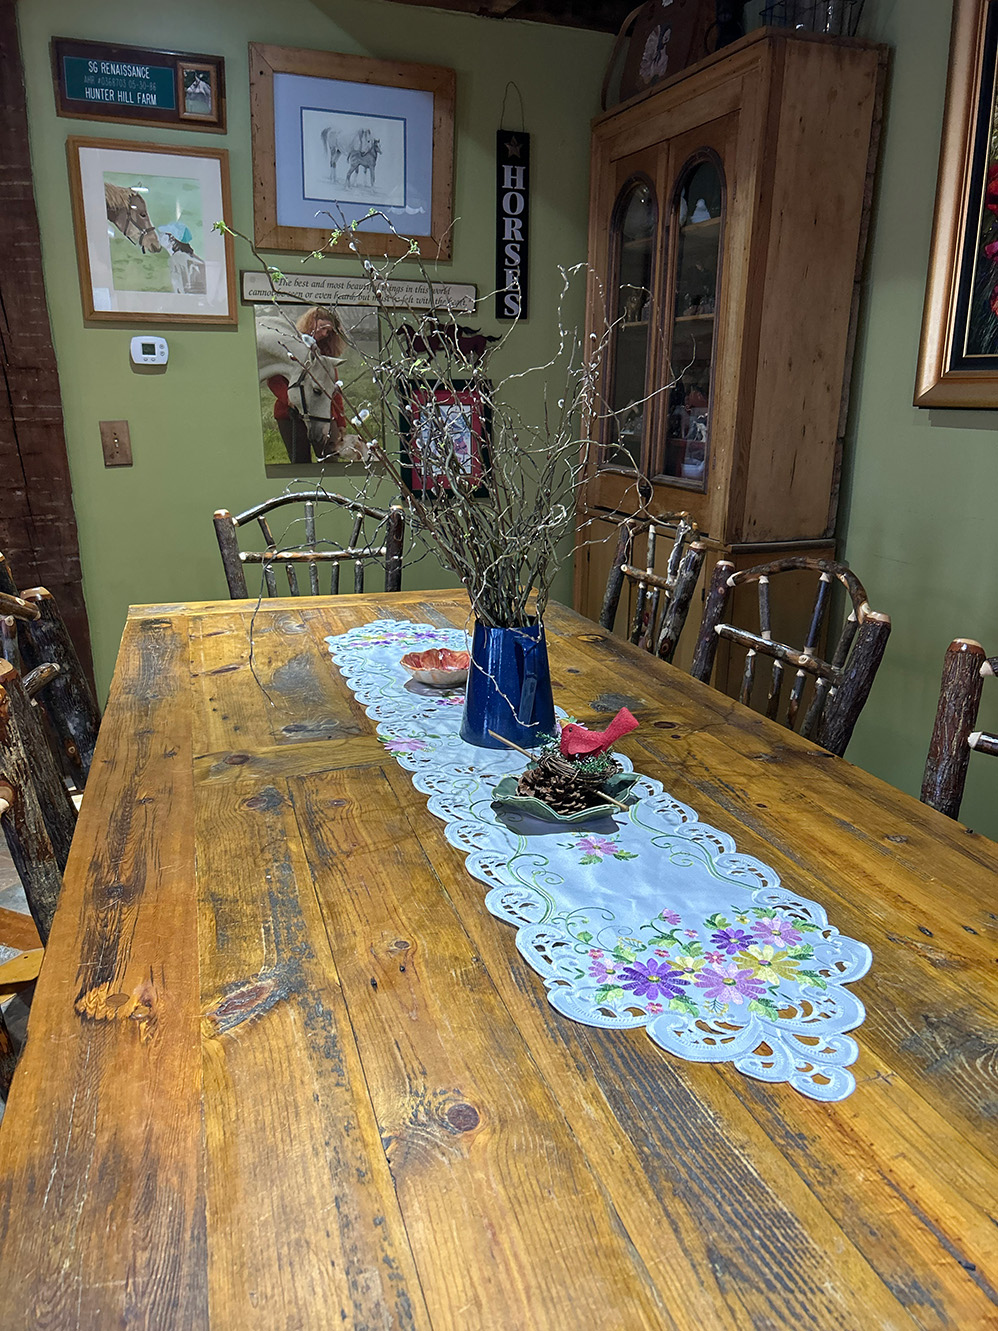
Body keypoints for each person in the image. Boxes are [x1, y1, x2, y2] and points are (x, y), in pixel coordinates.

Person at [266, 305, 349, 463]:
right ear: (311, 322)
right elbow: (274, 380)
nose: (324, 334)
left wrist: (340, 422)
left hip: (324, 414)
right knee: (300, 461)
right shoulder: (288, 347)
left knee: (330, 459)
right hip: (291, 416)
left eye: (329, 331)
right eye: (322, 328)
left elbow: (334, 389)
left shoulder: (325, 353)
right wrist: (289, 400)